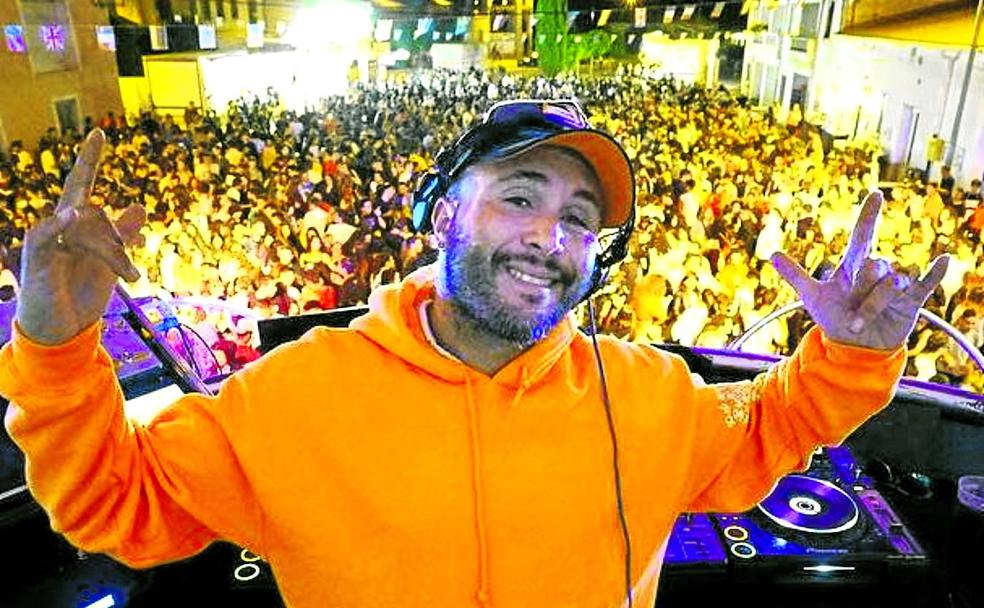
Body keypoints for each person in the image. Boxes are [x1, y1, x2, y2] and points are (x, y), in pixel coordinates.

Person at [0, 101, 948, 608]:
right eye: (521, 196)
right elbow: (114, 504)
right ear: (443, 214)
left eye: (580, 219)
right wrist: (55, 346)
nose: (549, 236)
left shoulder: (650, 393)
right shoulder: (291, 394)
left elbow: (770, 426)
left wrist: (845, 357)